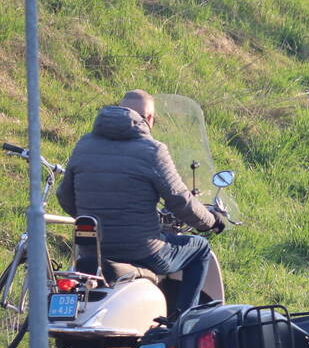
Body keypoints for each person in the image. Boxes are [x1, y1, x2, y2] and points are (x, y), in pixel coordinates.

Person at [57, 90, 225, 315]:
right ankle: (182, 324)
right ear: (150, 119)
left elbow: (64, 196)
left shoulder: (85, 144)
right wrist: (210, 221)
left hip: (91, 250)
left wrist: (93, 217)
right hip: (142, 250)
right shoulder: (152, 150)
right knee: (200, 249)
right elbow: (179, 200)